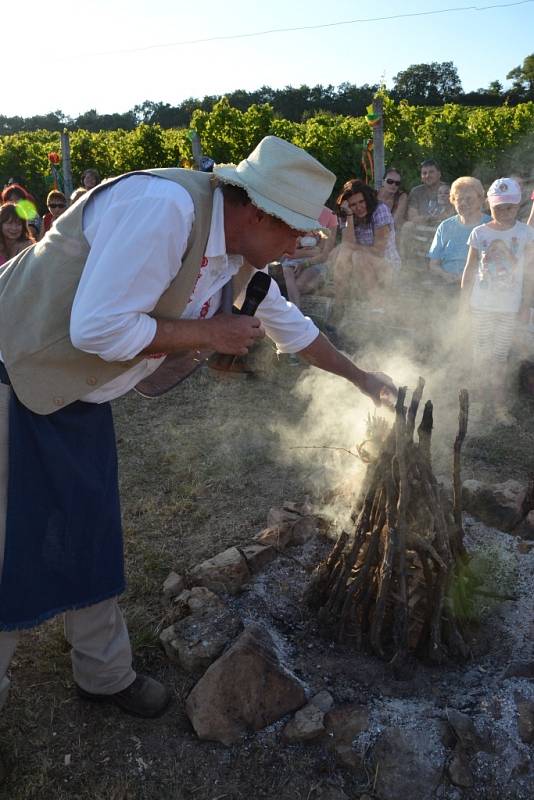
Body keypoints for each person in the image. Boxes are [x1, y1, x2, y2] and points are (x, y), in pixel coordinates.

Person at [0, 137, 395, 735]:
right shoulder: (165, 209)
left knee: (90, 530)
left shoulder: (243, 256)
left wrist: (363, 379)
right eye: (293, 233)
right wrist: (209, 336)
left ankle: (103, 674)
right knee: (11, 544)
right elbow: (97, 329)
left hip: (73, 396)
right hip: (16, 372)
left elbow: (293, 328)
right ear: (258, 212)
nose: (295, 248)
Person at [461, 177, 534, 424]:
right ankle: (480, 403)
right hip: (481, 306)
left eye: (510, 207)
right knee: (481, 354)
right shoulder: (479, 233)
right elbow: (469, 270)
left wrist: (526, 306)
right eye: (498, 207)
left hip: (509, 309)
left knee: (501, 356)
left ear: (518, 205)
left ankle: (500, 405)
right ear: (489, 205)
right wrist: (464, 304)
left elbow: (530, 275)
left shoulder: (526, 233)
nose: (504, 212)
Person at [332, 179, 400, 310]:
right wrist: (350, 216)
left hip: (386, 265)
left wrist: (349, 247)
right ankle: (339, 304)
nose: (358, 207)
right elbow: (348, 244)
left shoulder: (380, 210)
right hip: (358, 264)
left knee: (357, 256)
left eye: (361, 202)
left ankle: (376, 305)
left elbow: (379, 251)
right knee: (346, 252)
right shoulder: (346, 214)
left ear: (367, 199)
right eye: (353, 205)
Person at [429, 177, 490, 284]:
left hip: (479, 284)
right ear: (453, 201)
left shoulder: (490, 225)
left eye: (469, 199)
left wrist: (467, 277)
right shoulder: (445, 226)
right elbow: (433, 264)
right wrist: (446, 275)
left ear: (480, 200)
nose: (463, 203)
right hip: (448, 283)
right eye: (459, 199)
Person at [400, 159, 451, 266]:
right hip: (421, 228)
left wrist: (426, 218)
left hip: (443, 227)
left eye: (431, 172)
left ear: (439, 174)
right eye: (424, 173)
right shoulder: (416, 192)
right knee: (407, 226)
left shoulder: (447, 189)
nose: (427, 175)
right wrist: (433, 218)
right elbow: (413, 217)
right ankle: (406, 265)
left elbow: (450, 214)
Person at [377, 167, 408, 231]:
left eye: (397, 183)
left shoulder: (401, 197)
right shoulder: (373, 195)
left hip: (392, 232)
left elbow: (395, 222)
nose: (393, 185)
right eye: (390, 181)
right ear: (383, 182)